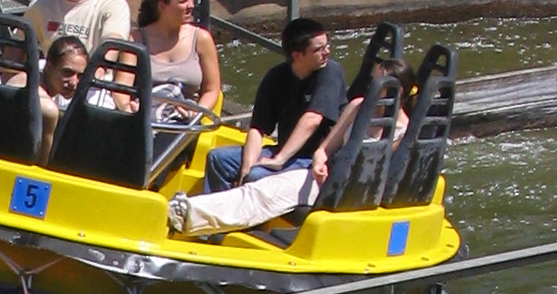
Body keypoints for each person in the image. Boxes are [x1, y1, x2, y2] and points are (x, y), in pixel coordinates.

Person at [170, 59, 416, 235]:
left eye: (378, 83)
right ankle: (190, 212)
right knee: (261, 189)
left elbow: (382, 177)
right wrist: (319, 163)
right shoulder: (357, 107)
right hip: (325, 177)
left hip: (350, 189)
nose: (371, 86)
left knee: (264, 192)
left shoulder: (403, 130)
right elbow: (324, 149)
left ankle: (190, 214)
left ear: (397, 91)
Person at [202, 17, 347, 191]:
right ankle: (220, 211)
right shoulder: (275, 77)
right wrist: (247, 167)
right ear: (297, 55)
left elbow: (312, 119)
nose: (327, 52)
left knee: (257, 177)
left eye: (327, 45)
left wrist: (279, 160)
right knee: (218, 159)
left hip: (315, 159)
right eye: (319, 49)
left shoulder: (331, 72)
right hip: (282, 152)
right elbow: (257, 129)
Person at [135, 0, 220, 116]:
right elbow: (122, 85)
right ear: (162, 6)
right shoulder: (137, 39)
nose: (191, 6)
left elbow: (212, 89)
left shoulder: (202, 39)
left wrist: (197, 112)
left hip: (187, 118)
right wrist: (127, 107)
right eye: (183, 1)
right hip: (145, 114)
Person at [37, 35, 88, 160]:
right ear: (48, 67)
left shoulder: (29, 78)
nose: (73, 82)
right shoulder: (48, 109)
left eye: (80, 75)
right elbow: (43, 167)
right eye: (67, 72)